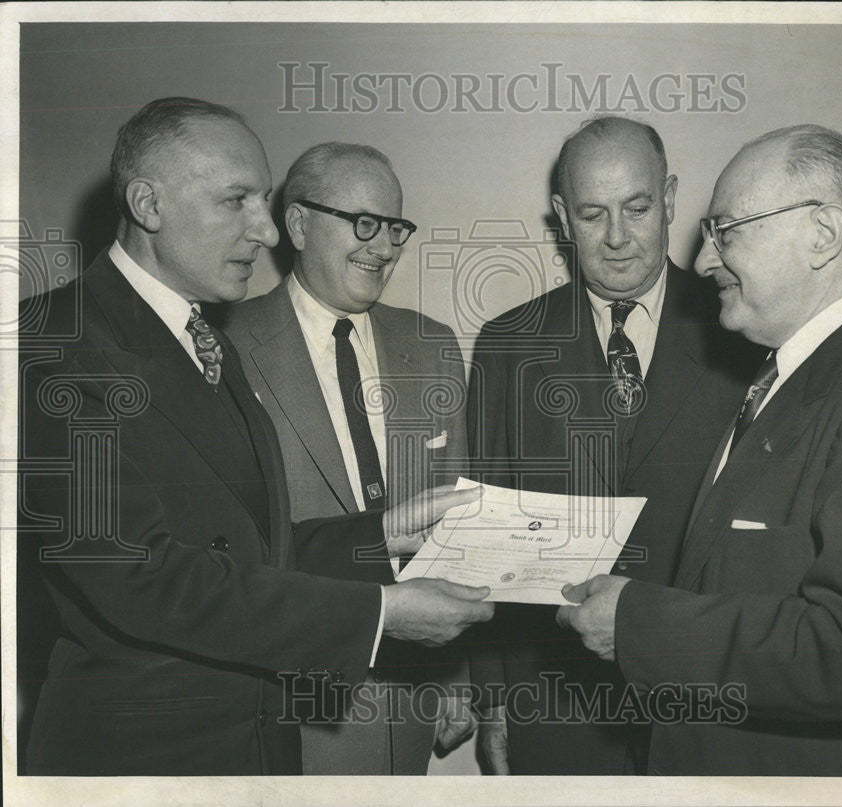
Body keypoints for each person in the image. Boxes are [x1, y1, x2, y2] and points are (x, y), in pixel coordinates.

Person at [18, 97, 494, 776]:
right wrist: (379, 612)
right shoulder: (50, 340)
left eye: (262, 200)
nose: (266, 232)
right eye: (236, 200)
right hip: (142, 761)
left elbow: (250, 545)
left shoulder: (203, 340)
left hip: (252, 745)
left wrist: (377, 535)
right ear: (149, 205)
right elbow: (143, 574)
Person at [557, 124, 842, 776]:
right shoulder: (793, 373)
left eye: (727, 231)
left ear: (823, 234)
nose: (705, 259)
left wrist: (640, 623)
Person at [466, 116, 759, 774]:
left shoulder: (745, 328)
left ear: (672, 198)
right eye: (594, 214)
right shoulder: (508, 344)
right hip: (556, 701)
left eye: (638, 207)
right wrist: (494, 699)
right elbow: (484, 539)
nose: (619, 238)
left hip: (706, 697)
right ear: (563, 217)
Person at [224, 142, 473, 774]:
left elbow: (457, 526)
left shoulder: (433, 345)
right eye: (362, 222)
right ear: (301, 224)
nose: (384, 245)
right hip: (292, 697)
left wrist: (457, 673)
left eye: (394, 227)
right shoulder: (225, 347)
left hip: (414, 695)